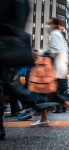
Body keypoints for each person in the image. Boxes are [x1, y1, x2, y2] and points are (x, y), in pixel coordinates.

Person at [31, 18, 69, 126]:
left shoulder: (55, 34)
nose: (47, 25)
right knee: (50, 94)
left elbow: (54, 50)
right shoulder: (60, 35)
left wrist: (42, 54)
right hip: (59, 69)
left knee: (43, 93)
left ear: (54, 25)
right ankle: (45, 118)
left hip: (53, 70)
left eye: (49, 23)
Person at [0, 0, 30, 140]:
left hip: (4, 42)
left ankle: (27, 102)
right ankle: (28, 101)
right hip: (11, 46)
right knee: (6, 83)